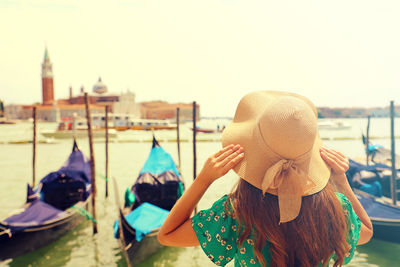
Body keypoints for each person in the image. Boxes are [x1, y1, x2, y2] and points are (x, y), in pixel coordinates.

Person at [158, 91, 373, 266]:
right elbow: (366, 232)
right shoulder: (335, 209)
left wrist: (203, 179)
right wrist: (342, 181)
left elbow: (168, 235)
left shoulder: (238, 213)